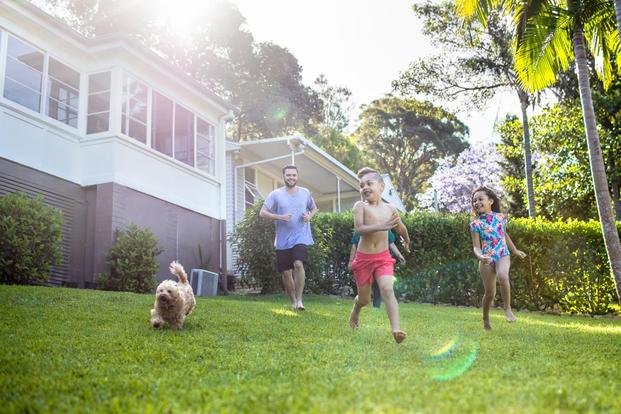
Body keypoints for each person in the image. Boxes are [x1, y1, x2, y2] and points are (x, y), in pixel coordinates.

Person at [348, 167, 410, 343]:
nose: (365, 187)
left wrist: (407, 239)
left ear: (381, 186)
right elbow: (359, 229)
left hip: (382, 258)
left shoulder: (390, 209)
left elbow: (400, 227)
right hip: (364, 259)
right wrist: (381, 226)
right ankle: (356, 309)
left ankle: (396, 330)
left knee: (387, 289)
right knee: (365, 299)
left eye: (369, 183)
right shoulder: (360, 206)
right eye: (361, 185)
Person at [260, 165, 318, 311]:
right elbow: (263, 212)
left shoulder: (305, 193)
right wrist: (279, 217)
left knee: (298, 264)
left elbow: (314, 208)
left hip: (300, 236)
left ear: (297, 176)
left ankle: (299, 300)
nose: (291, 177)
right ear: (283, 177)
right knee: (286, 272)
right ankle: (293, 301)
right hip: (282, 240)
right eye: (288, 175)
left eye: (294, 175)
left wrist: (309, 216)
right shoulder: (275, 194)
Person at [469, 186, 526, 331]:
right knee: (490, 293)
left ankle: (507, 309)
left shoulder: (501, 217)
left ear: (491, 201)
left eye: (480, 199)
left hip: (502, 254)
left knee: (503, 276)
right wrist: (481, 256)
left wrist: (515, 250)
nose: (477, 202)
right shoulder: (475, 224)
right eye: (474, 200)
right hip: (486, 258)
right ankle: (486, 319)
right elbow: (476, 246)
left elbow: (504, 235)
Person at [348, 229, 406, 309]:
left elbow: (391, 243)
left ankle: (376, 305)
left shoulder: (385, 227)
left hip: (381, 261)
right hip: (364, 262)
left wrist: (399, 255)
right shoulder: (362, 227)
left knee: (380, 284)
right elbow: (354, 245)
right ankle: (362, 302)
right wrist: (351, 261)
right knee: (365, 288)